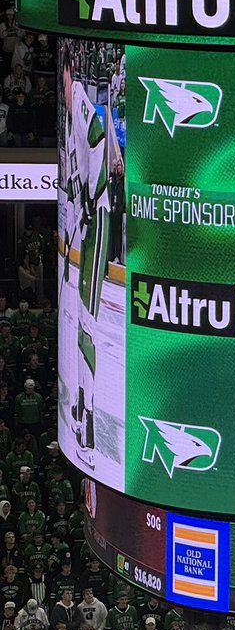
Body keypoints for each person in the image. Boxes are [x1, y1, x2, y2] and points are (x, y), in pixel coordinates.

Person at [61, 56, 111, 470]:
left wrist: (91, 203)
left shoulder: (77, 99)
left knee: (88, 322)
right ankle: (81, 407)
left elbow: (96, 136)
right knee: (79, 318)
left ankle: (89, 417)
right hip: (87, 221)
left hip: (97, 221)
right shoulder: (67, 111)